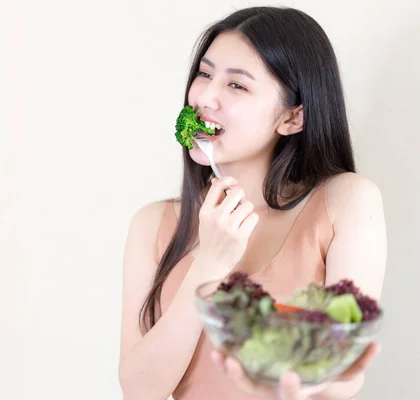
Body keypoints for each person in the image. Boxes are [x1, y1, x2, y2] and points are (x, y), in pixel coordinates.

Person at [118, 6, 387, 400]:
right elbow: (140, 391)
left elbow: (344, 377)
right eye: (205, 74)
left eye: (237, 86)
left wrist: (303, 380)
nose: (206, 96)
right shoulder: (152, 224)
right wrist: (209, 266)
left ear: (293, 118)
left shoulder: (346, 202)